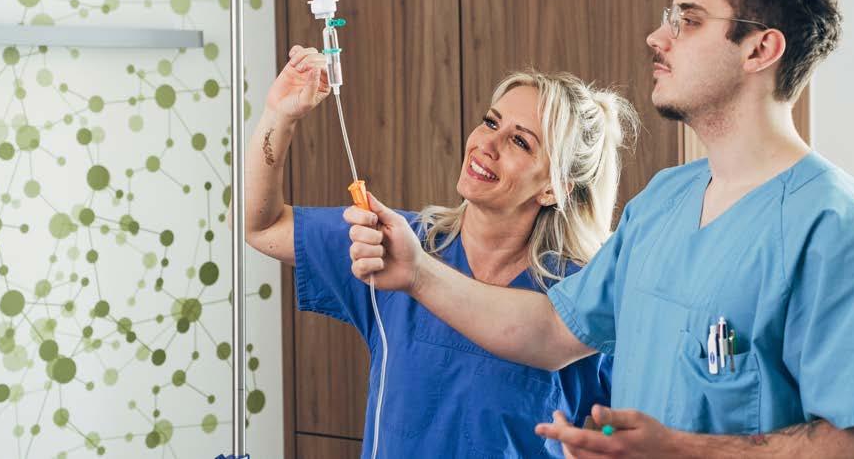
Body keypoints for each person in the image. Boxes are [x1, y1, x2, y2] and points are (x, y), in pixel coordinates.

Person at [344, 0, 854, 458]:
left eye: (688, 21)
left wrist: (681, 451)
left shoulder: (843, 233)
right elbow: (552, 330)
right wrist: (418, 272)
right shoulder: (664, 201)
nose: (657, 37)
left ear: (759, 49)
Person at [243, 49, 640, 458]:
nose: (487, 144)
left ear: (553, 188)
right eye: (491, 122)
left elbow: (633, 424)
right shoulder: (394, 243)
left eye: (520, 142)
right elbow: (263, 227)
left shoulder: (581, 297)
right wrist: (279, 115)